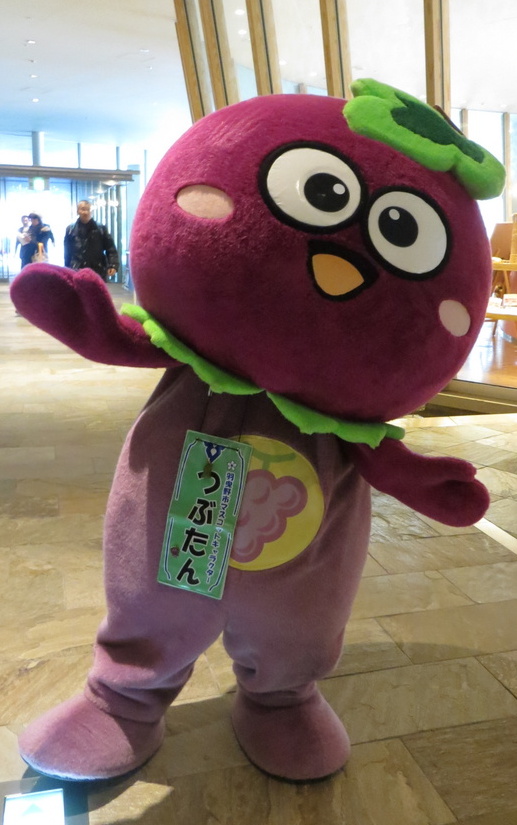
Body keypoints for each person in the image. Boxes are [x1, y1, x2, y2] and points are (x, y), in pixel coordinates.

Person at [64, 200, 119, 281]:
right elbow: (67, 251)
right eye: (83, 209)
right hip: (76, 268)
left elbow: (110, 248)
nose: (86, 212)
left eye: (88, 209)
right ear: (78, 211)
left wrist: (113, 264)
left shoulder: (101, 229)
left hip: (97, 269)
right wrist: (66, 269)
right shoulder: (70, 229)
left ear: (91, 211)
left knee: (97, 288)